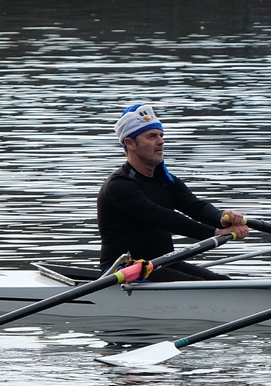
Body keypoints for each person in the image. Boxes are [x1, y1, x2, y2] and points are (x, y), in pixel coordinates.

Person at [95, 101, 249, 280]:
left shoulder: (166, 181)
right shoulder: (119, 186)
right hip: (125, 269)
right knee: (203, 288)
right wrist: (214, 233)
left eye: (161, 135)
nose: (161, 141)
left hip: (161, 262)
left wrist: (221, 218)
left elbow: (195, 206)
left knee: (223, 283)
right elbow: (162, 217)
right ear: (130, 143)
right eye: (152, 136)